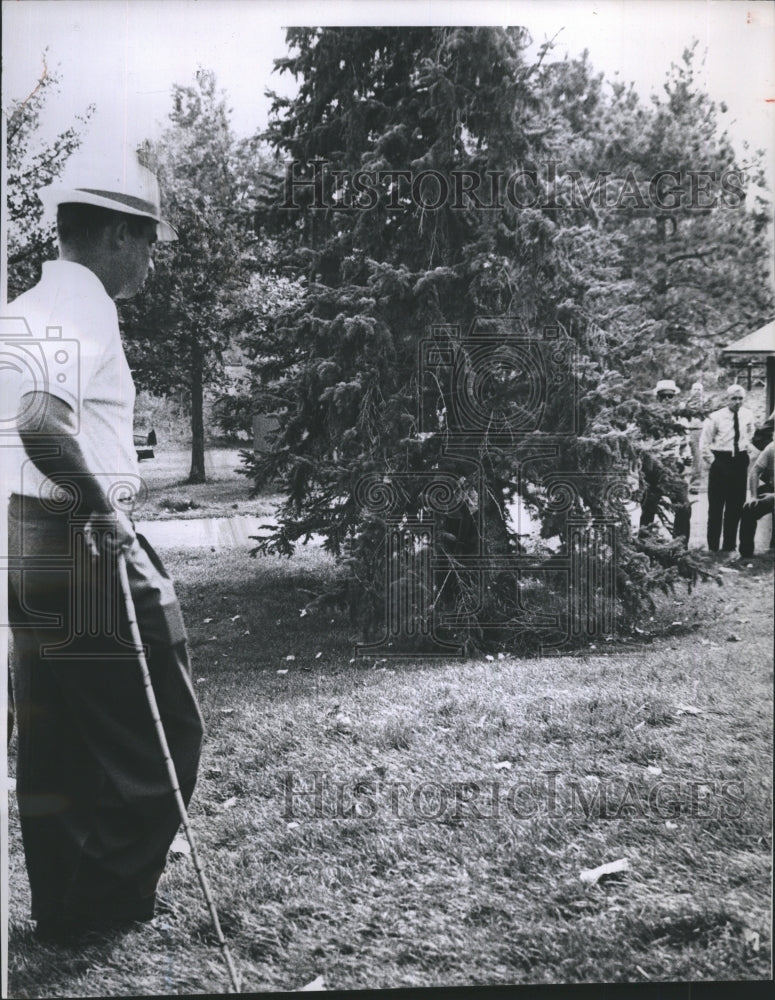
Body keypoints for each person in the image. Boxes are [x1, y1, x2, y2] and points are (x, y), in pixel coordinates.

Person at [6, 152, 203, 943]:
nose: (151, 259)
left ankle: (63, 905)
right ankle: (102, 904)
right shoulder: (80, 302)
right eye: (150, 241)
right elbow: (39, 419)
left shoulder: (25, 302)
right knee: (165, 733)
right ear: (118, 236)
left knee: (59, 742)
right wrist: (105, 511)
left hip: (31, 537)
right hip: (82, 540)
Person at [699, 384, 757, 552]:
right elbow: (704, 443)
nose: (737, 402)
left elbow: (750, 432)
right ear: (727, 399)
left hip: (739, 461)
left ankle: (729, 546)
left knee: (735, 505)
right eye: (734, 398)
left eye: (740, 399)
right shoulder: (715, 417)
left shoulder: (748, 414)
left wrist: (745, 449)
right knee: (716, 506)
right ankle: (713, 547)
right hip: (720, 460)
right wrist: (713, 462)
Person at [638, 379, 692, 546]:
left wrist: (686, 457)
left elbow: (685, 444)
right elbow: (641, 445)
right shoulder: (648, 420)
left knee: (683, 507)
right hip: (654, 469)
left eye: (671, 396)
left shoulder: (681, 420)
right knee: (649, 508)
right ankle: (645, 545)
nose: (667, 400)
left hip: (674, 468)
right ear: (657, 398)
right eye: (664, 396)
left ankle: (680, 546)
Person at [737, 439, 774, 559]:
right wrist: (753, 496)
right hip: (772, 492)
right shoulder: (771, 448)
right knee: (749, 508)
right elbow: (754, 471)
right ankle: (746, 553)